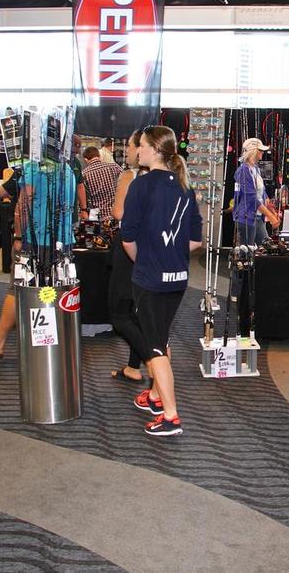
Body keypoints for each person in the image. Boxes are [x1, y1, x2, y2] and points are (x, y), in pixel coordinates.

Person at [123, 126, 203, 437]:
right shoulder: (185, 187)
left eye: (141, 145)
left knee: (154, 346)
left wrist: (146, 259)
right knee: (162, 338)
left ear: (156, 149)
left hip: (150, 279)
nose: (138, 150)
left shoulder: (141, 185)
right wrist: (168, 255)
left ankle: (170, 415)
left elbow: (128, 237)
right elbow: (195, 240)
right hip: (178, 278)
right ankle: (156, 396)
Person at [0, 159, 76, 359]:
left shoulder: (33, 168)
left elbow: (24, 204)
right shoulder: (66, 167)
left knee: (19, 288)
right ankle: (51, 346)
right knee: (52, 291)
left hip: (36, 240)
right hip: (63, 241)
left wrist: (18, 236)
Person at [108, 129, 149, 383]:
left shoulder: (129, 175)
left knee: (119, 313)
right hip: (153, 249)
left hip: (129, 246)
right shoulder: (168, 177)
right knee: (138, 311)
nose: (129, 152)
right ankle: (134, 367)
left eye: (132, 147)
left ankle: (154, 361)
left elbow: (118, 213)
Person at [233, 137, 280, 245]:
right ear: (253, 151)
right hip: (247, 218)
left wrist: (271, 210)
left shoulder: (256, 169)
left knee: (265, 248)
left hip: (258, 217)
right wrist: (271, 216)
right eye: (260, 150)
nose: (262, 152)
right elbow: (251, 199)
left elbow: (262, 193)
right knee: (247, 253)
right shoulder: (243, 171)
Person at [81, 145, 123, 221]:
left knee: (95, 232)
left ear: (86, 159)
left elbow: (86, 197)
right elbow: (126, 181)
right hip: (114, 213)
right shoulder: (114, 167)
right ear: (99, 156)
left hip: (96, 215)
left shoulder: (84, 174)